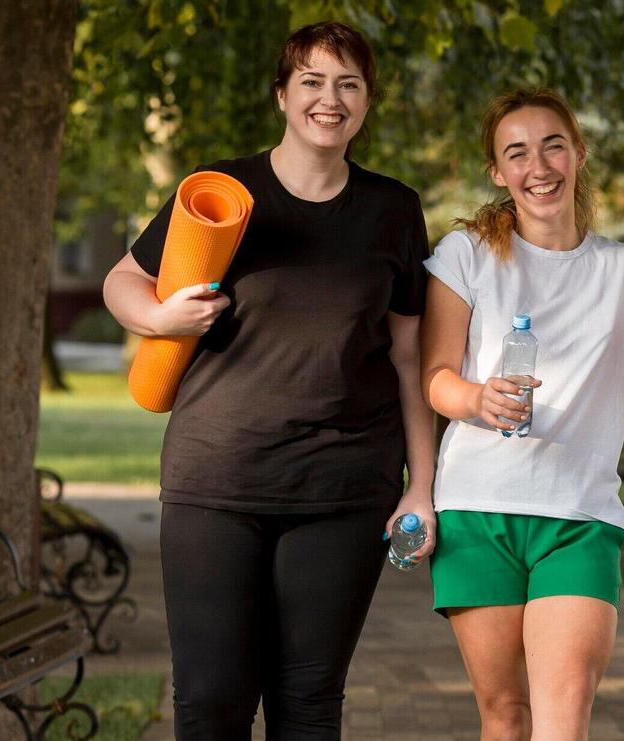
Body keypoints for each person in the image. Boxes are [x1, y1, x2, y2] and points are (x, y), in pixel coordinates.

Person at [102, 21, 435, 740]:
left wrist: (421, 484)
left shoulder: (394, 209)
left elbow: (410, 357)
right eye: (312, 81)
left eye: (349, 85)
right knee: (212, 700)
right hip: (216, 481)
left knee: (309, 701)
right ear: (283, 95)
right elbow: (123, 279)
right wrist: (160, 320)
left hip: (346, 489)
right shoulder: (223, 191)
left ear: (368, 102)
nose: (330, 98)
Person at [420, 88, 624, 739]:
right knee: (504, 717)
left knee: (562, 723)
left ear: (578, 153)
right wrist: (478, 398)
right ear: (499, 173)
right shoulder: (466, 255)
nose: (538, 165)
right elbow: (436, 379)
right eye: (518, 153)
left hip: (579, 518)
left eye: (552, 145)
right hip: (477, 509)